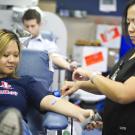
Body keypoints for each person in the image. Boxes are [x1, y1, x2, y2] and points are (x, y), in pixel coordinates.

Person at [0, 29, 94, 135]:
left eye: (16, 55)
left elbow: (50, 101)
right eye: (6, 55)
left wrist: (81, 113)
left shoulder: (24, 82)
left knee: (12, 118)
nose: (12, 60)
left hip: (17, 128)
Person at [61, 1, 135, 135]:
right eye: (129, 22)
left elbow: (123, 94)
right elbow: (107, 85)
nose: (130, 28)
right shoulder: (130, 54)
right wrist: (78, 85)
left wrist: (91, 75)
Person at [22, 8, 77, 73]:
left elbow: (54, 57)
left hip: (38, 79)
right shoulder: (17, 43)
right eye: (27, 26)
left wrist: (68, 66)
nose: (29, 29)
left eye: (32, 26)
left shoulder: (47, 44)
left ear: (40, 24)